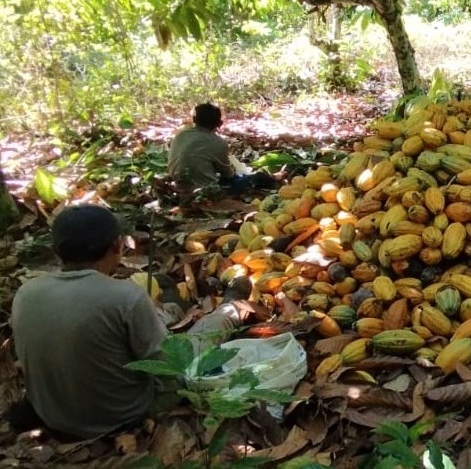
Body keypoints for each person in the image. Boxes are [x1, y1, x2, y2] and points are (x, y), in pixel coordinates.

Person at [10, 204, 251, 440]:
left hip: (54, 415)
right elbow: (169, 367)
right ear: (117, 246)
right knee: (211, 328)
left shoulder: (26, 292)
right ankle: (230, 303)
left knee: (153, 313)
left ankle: (173, 309)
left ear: (56, 250)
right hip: (123, 414)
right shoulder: (125, 296)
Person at [167, 102, 275, 194]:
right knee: (258, 177)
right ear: (220, 123)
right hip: (204, 190)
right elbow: (228, 174)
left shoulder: (180, 135)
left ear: (194, 119)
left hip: (177, 184)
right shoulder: (218, 142)